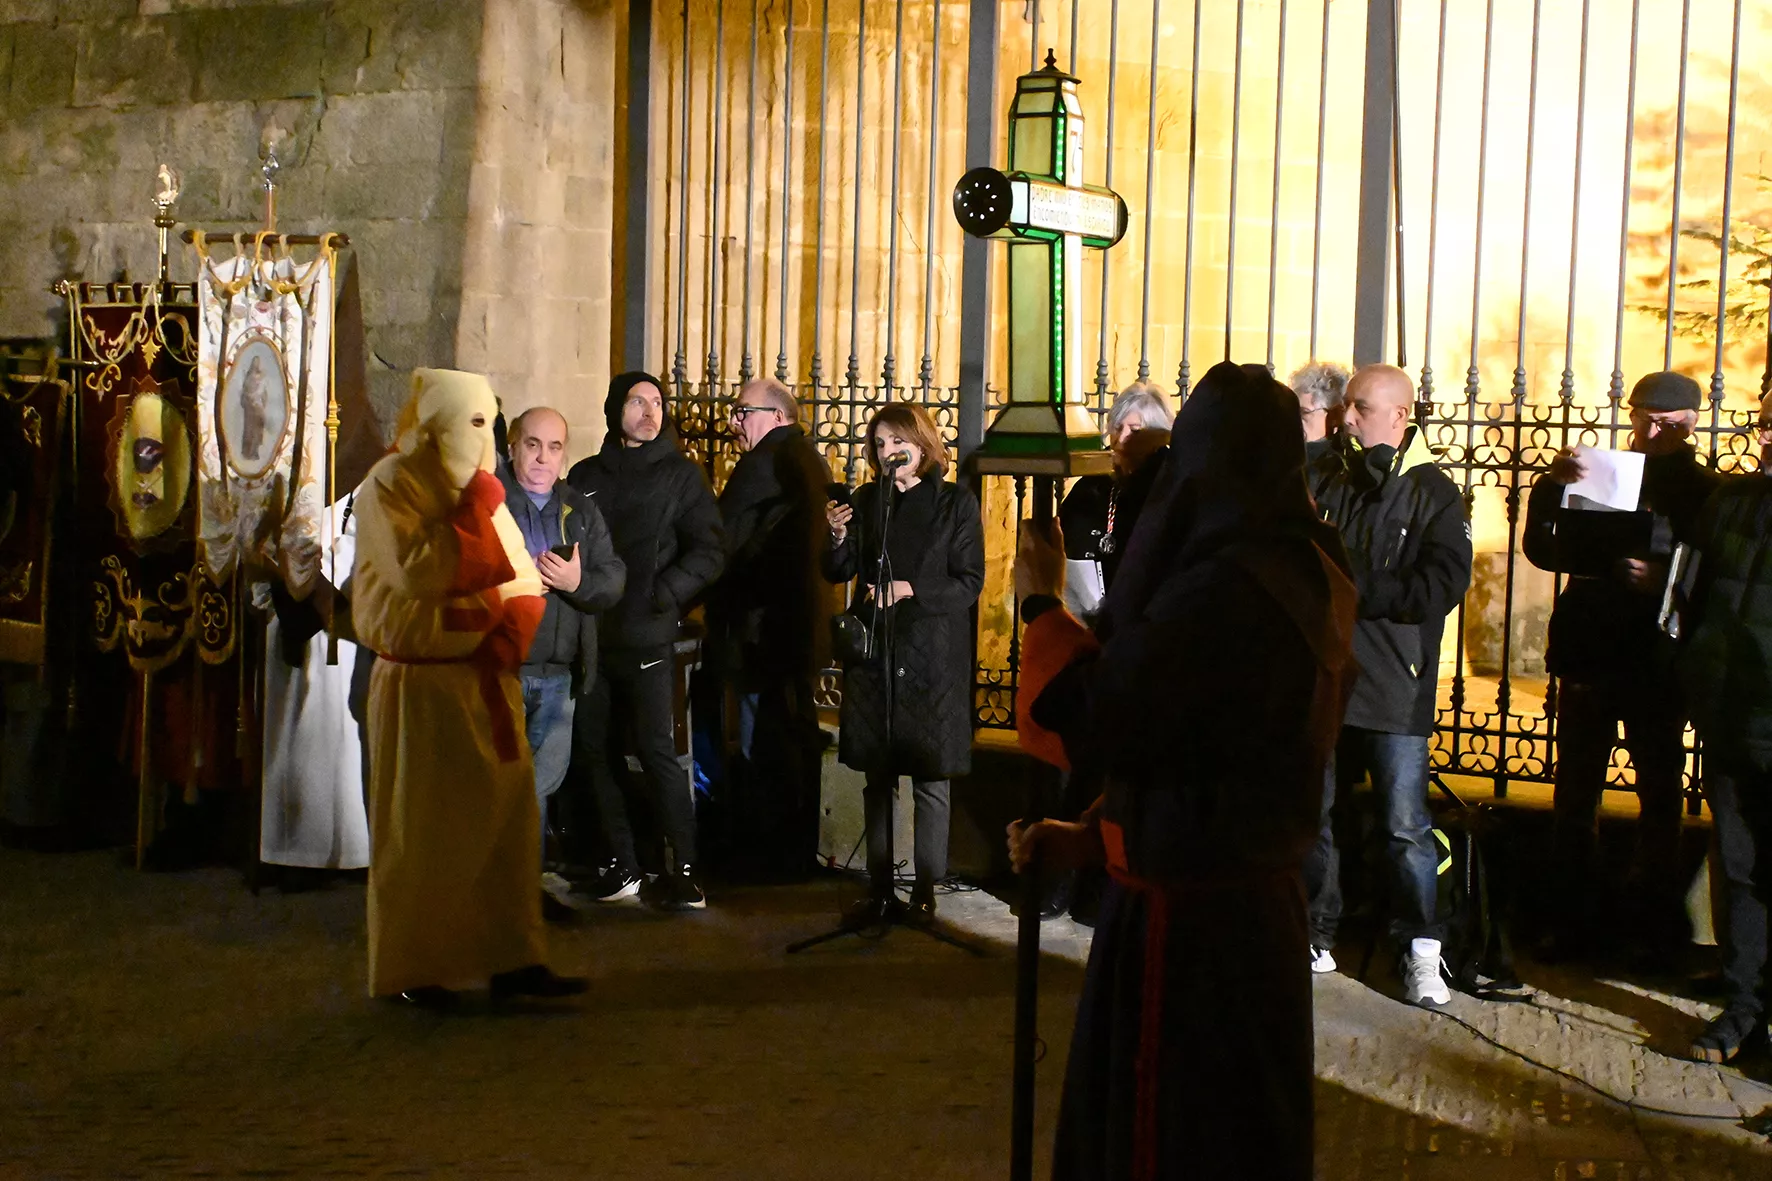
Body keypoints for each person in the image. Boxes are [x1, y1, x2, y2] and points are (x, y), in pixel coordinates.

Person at [1008, 360, 1357, 1180]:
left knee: (1174, 1141)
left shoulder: (1231, 587)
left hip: (1191, 936)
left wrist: (1039, 606)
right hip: (1239, 910)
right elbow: (1202, 742)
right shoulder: (1302, 561)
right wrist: (1098, 836)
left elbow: (1107, 714)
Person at [351, 367, 586, 1007]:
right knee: (422, 831)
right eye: (468, 421)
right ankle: (416, 969)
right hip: (421, 688)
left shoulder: (483, 493)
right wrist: (486, 604)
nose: (478, 436)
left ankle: (514, 959)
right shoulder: (390, 486)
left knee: (508, 828)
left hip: (484, 682)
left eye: (488, 421)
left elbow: (522, 581)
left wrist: (498, 615)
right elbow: (419, 572)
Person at [1522, 371, 1719, 962]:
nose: (1652, 432)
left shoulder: (1705, 489)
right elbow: (1544, 548)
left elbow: (1718, 574)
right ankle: (1572, 920)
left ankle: (1651, 923)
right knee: (1576, 790)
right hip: (1591, 645)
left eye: (1668, 424)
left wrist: (1665, 581)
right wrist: (1550, 490)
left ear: (1691, 425)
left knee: (1659, 793)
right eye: (1644, 419)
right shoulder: (1602, 472)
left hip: (1656, 657)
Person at [1304, 363, 1472, 1005]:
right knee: (1317, 815)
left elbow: (1441, 586)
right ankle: (1319, 933)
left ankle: (1421, 947)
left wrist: (1358, 591)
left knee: (1404, 826)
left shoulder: (1433, 491)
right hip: (1332, 677)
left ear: (1400, 417)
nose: (1346, 418)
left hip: (1396, 688)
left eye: (1361, 408)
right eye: (1346, 406)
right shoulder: (1329, 479)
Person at [567, 372, 724, 911]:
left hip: (649, 633)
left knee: (657, 750)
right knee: (596, 750)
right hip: (592, 633)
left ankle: (681, 866)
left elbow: (708, 549)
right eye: (637, 401)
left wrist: (665, 593)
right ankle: (621, 862)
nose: (649, 412)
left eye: (657, 402)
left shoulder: (682, 477)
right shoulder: (585, 475)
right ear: (615, 410)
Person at [823, 402, 984, 925]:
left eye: (898, 441)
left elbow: (969, 580)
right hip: (878, 654)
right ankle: (879, 885)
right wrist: (839, 535)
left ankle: (928, 889)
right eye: (880, 444)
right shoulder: (870, 501)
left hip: (930, 652)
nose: (889, 452)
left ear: (923, 442)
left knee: (931, 778)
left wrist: (912, 588)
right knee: (878, 775)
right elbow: (837, 569)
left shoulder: (955, 504)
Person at [708, 378, 833, 880]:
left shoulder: (763, 464)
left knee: (767, 742)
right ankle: (796, 849)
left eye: (744, 413)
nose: (735, 423)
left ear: (778, 416)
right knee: (795, 735)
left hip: (764, 630)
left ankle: (769, 853)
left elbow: (720, 541)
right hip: (800, 627)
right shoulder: (810, 459)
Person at [1679, 393, 1772, 1063]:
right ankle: (1742, 1009)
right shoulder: (1731, 501)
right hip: (1731, 715)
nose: (1764, 433)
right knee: (1738, 870)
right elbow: (1693, 592)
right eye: (1764, 419)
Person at [498, 407, 625, 872]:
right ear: (513, 447)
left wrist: (576, 583)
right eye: (533, 445)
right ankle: (496, 894)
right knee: (500, 786)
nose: (542, 458)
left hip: (558, 676)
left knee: (540, 787)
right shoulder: (489, 504)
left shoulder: (580, 510)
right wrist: (516, 582)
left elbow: (612, 577)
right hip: (504, 671)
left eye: (554, 447)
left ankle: (524, 889)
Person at [260, 492, 369, 878]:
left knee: (340, 743)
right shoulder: (312, 492)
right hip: (304, 626)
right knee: (303, 735)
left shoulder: (369, 490)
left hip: (345, 633)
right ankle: (298, 852)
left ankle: (346, 850)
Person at [1057, 382, 1173, 626]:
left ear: (1158, 435)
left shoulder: (1168, 487)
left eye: (1135, 430)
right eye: (1117, 428)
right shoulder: (1093, 486)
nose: (1121, 438)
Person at [1291, 359, 1350, 462]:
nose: (1294, 419)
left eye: (1304, 412)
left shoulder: (1341, 466)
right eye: (1293, 410)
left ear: (1335, 417)